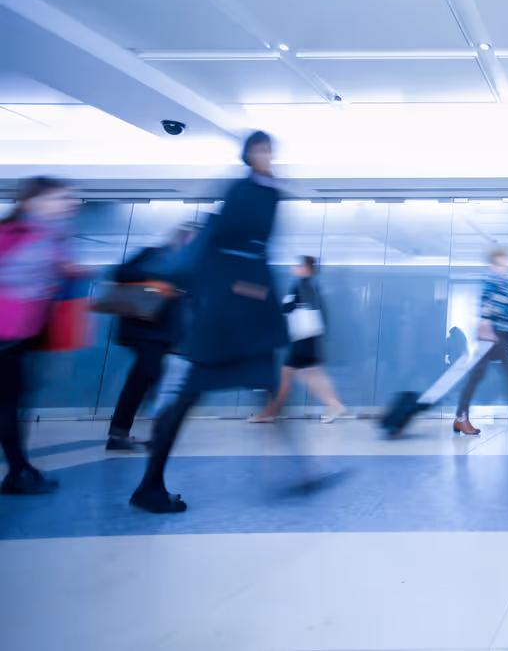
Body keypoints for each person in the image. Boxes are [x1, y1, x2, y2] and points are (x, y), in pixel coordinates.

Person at [131, 131, 301, 513]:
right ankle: (150, 484)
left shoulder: (264, 192)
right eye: (260, 149)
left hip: (244, 315)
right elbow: (224, 248)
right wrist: (246, 290)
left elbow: (247, 252)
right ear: (248, 154)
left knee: (268, 386)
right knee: (190, 396)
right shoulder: (244, 193)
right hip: (228, 318)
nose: (268, 156)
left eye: (271, 149)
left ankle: (301, 471)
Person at [0, 177, 77, 495]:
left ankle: (20, 468)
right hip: (6, 333)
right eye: (60, 198)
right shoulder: (14, 234)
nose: (68, 204)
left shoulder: (51, 237)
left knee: (13, 402)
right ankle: (18, 471)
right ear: (33, 202)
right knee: (8, 403)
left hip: (22, 335)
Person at [105, 223, 198, 451]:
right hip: (145, 329)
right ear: (185, 238)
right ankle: (121, 433)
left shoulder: (187, 264)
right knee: (145, 376)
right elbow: (121, 273)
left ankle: (134, 432)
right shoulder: (155, 254)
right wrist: (160, 281)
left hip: (164, 333)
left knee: (151, 378)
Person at [249, 256, 346, 424]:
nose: (294, 266)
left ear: (305, 267)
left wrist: (267, 298)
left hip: (303, 340)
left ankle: (271, 412)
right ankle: (333, 404)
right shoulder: (307, 285)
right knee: (308, 374)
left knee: (294, 374)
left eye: (297, 264)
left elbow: (291, 308)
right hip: (308, 339)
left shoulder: (303, 284)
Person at [452, 247, 508, 435]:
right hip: (491, 335)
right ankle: (461, 418)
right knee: (478, 376)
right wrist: (485, 326)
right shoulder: (491, 280)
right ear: (496, 261)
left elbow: (505, 307)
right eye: (504, 259)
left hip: (501, 334)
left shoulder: (505, 282)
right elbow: (485, 305)